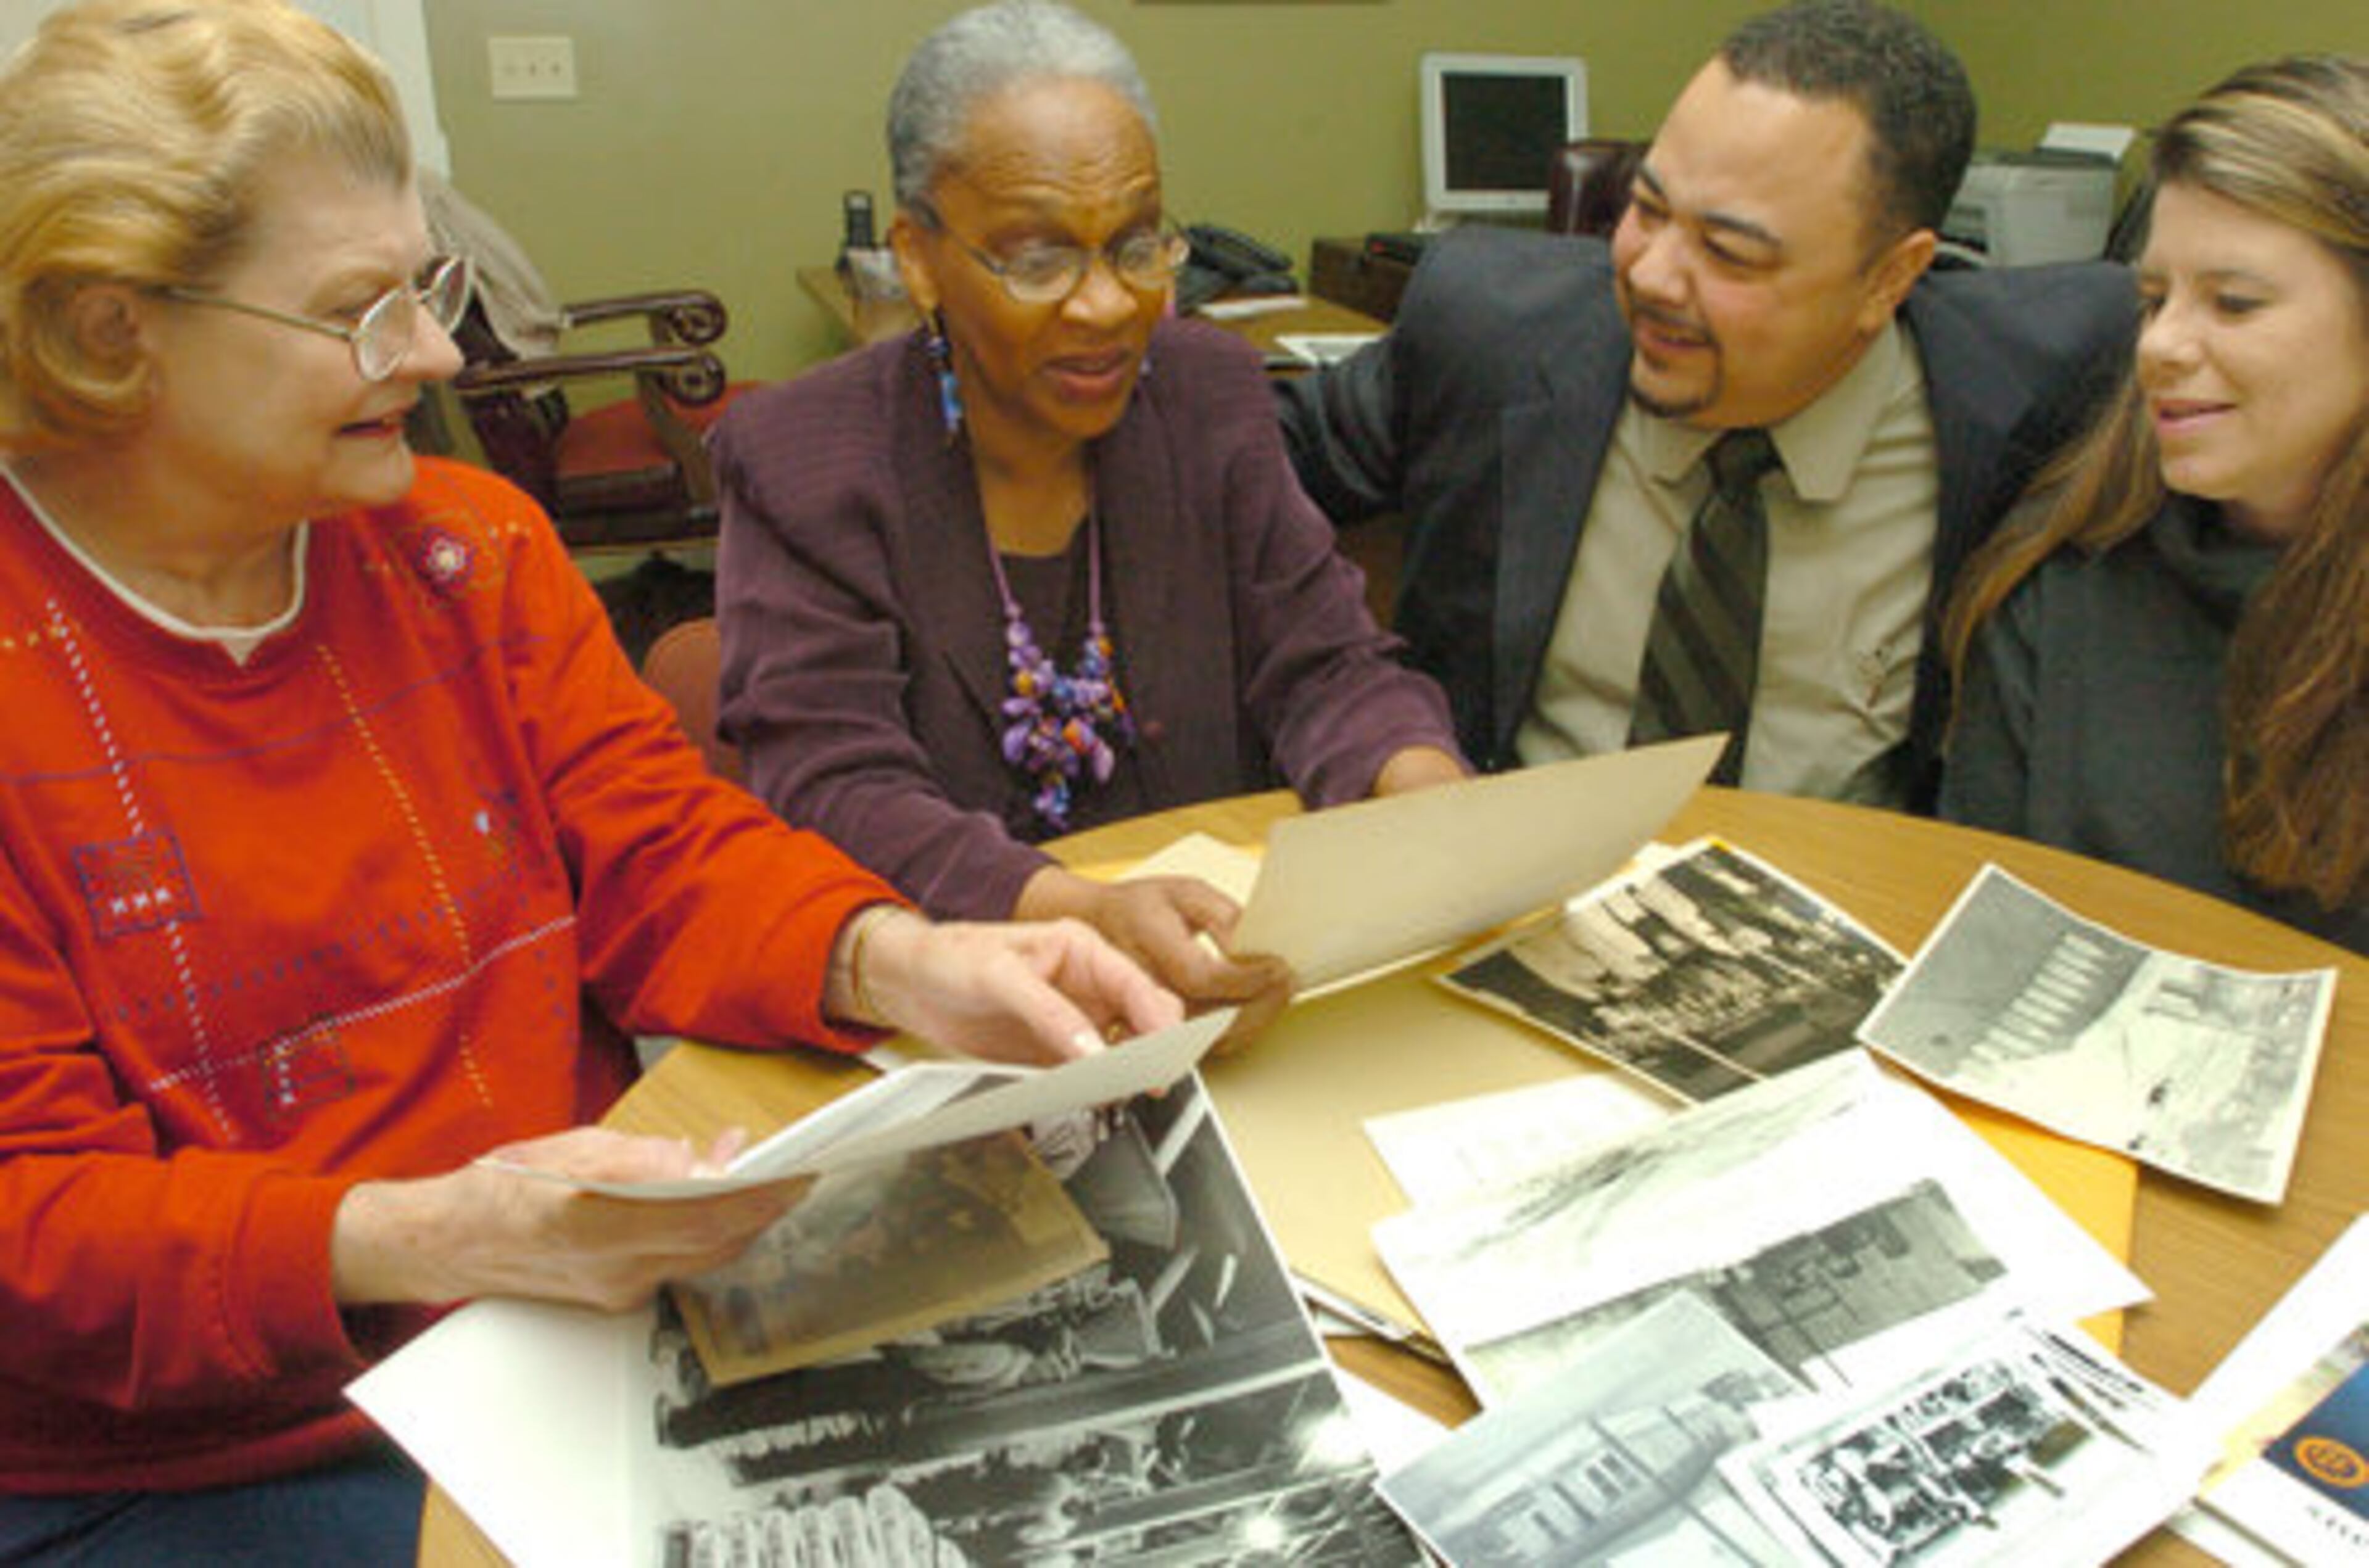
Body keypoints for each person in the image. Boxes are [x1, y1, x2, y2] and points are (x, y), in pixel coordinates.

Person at [0, 1, 1183, 1557]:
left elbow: (663, 849)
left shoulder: (468, 548)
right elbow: (38, 1227)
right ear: (109, 331)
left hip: (562, 1327)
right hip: (209, 1455)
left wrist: (903, 957)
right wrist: (435, 1230)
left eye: (427, 287)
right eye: (364, 313)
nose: (434, 351)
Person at [713, 0, 1468, 1034]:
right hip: (967, 1022)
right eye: (1038, 260)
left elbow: (1328, 664)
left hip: (1228, 1002)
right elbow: (834, 786)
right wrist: (1078, 913)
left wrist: (1426, 796)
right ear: (919, 257)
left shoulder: (1206, 393)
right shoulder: (807, 459)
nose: (1109, 305)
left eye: (1137, 244)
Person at [1278, 0, 2135, 812]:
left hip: (1853, 910)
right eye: (1645, 209)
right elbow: (1234, 483)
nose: (1650, 275)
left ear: (1891, 278)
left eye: (1729, 253)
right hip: (1505, 899)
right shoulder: (1490, 331)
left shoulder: (2041, 380)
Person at [1942, 56, 2368, 954]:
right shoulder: (2055, 581)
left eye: (2235, 303)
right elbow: (1977, 923)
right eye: (2152, 299)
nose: (2163, 345)